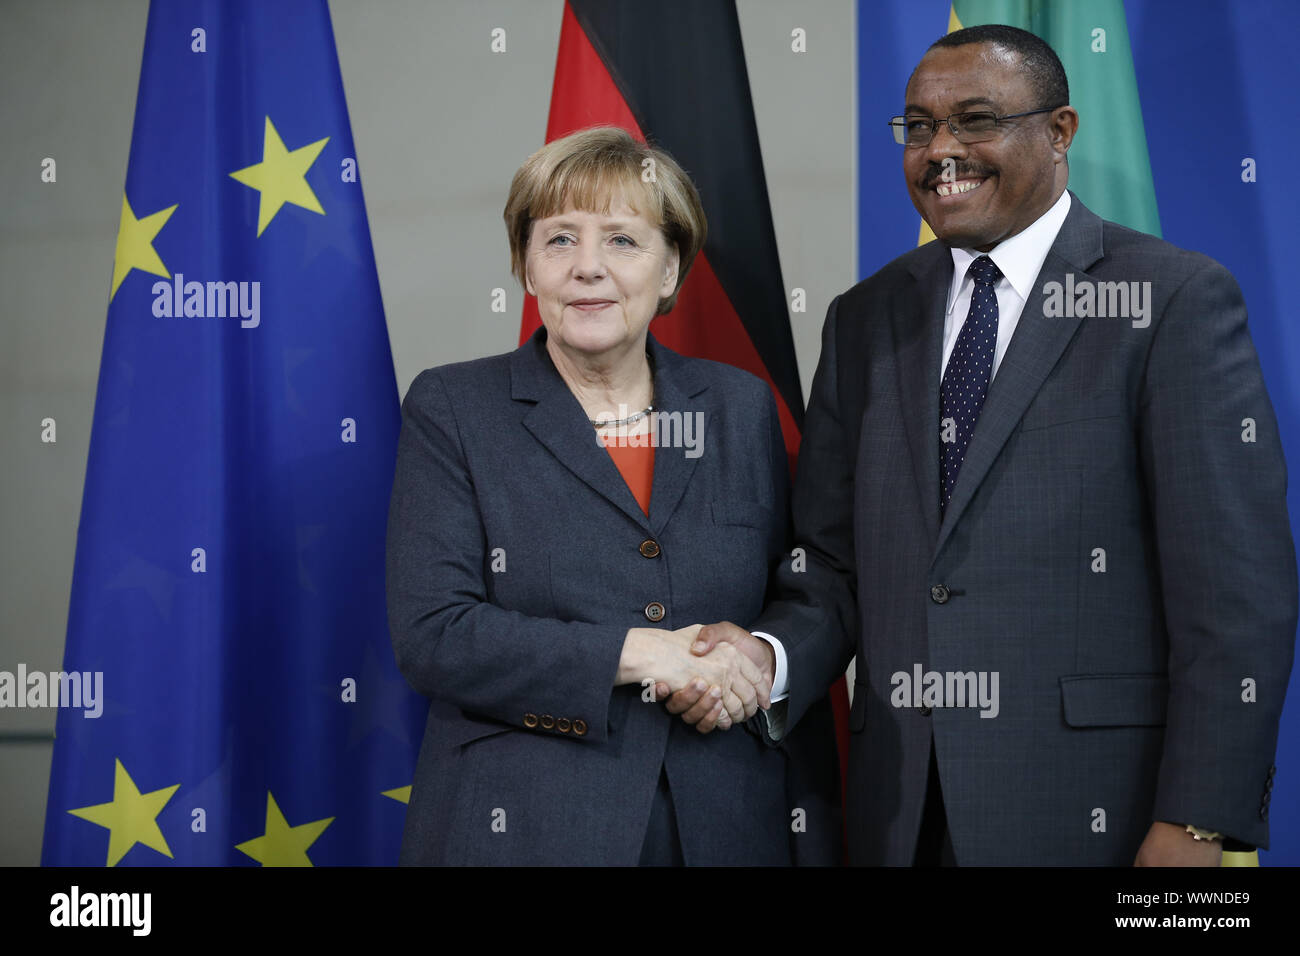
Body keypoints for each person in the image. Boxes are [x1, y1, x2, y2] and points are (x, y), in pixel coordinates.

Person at [676, 24, 1295, 865]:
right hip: (900, 812)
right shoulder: (864, 319)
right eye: (919, 127)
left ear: (1061, 131)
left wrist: (1196, 820)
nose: (941, 151)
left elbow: (1237, 594)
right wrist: (767, 651)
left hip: (1102, 812)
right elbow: (831, 565)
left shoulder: (1171, 299)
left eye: (974, 120)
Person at [386, 126, 838, 865]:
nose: (587, 268)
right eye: (559, 239)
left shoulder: (739, 406)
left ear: (670, 271)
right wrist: (643, 654)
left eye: (623, 241)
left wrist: (754, 660)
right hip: (528, 826)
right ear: (525, 266)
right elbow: (436, 634)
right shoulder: (454, 408)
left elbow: (801, 584)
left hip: (727, 822)